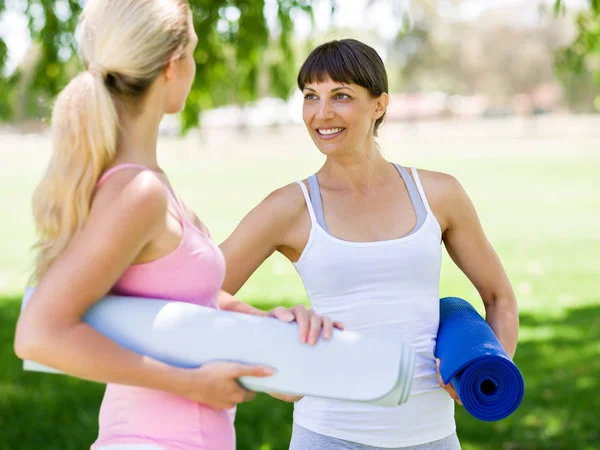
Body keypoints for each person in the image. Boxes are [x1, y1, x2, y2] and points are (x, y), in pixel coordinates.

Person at [14, 1, 338, 449]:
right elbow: (39, 333)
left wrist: (265, 325)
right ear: (172, 66)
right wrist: (191, 384)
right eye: (193, 53)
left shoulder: (149, 186)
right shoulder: (138, 193)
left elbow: (181, 299)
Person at [220, 39, 519, 450]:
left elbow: (499, 297)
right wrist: (273, 353)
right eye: (311, 96)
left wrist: (490, 371)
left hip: (433, 437)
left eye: (340, 96)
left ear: (380, 105)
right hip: (328, 435)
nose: (321, 113)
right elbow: (201, 294)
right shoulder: (290, 207)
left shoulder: (439, 193)